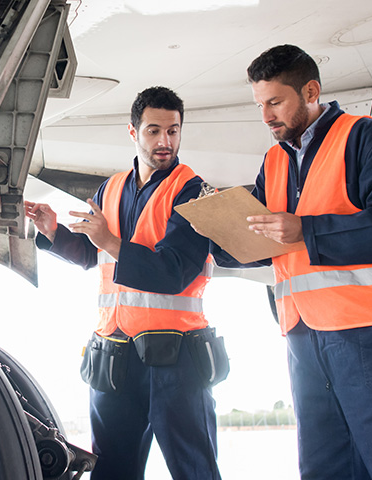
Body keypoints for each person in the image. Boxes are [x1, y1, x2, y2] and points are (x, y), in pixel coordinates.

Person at [215, 44, 372, 479]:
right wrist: (217, 227)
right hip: (305, 339)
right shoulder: (274, 161)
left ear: (310, 90)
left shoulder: (364, 136)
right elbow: (266, 241)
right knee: (327, 467)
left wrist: (306, 230)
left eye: (275, 102)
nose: (266, 116)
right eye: (260, 105)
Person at [25, 86, 223, 479]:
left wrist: (110, 241)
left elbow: (172, 272)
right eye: (154, 131)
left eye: (173, 130)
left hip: (176, 360)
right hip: (113, 356)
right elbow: (94, 254)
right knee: (111, 470)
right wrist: (53, 233)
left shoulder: (194, 192)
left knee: (194, 469)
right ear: (133, 133)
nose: (165, 141)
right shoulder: (111, 188)